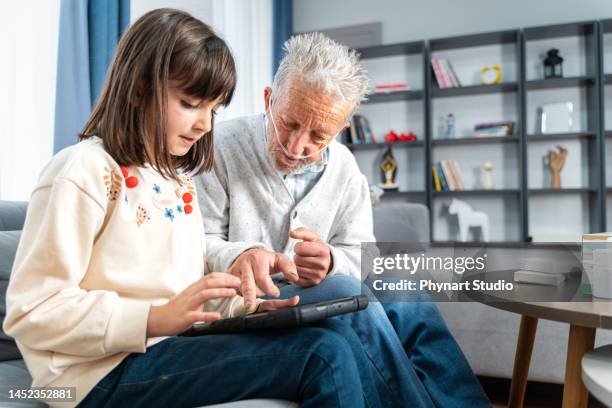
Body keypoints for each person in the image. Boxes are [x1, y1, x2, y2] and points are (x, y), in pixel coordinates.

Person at [2, 9, 408, 408]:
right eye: (191, 102)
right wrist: (155, 318)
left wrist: (252, 305)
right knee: (323, 355)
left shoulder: (174, 179)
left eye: (213, 110)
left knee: (334, 339)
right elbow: (32, 311)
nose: (205, 125)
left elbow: (188, 285)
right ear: (140, 88)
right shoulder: (81, 170)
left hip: (164, 346)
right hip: (91, 374)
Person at [197, 32, 491, 407]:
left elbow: (360, 254)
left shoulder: (346, 168)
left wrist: (332, 260)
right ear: (269, 99)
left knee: (405, 289)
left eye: (318, 136)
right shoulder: (219, 146)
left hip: (312, 292)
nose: (296, 145)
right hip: (252, 303)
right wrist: (244, 252)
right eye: (288, 123)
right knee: (351, 294)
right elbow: (197, 240)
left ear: (339, 131)